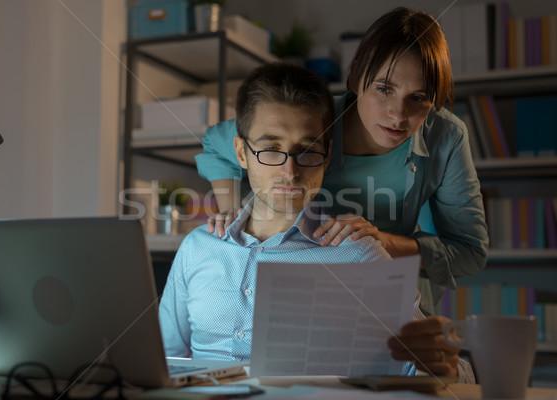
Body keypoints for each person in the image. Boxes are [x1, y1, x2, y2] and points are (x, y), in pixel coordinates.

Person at [159, 62, 474, 382]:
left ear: (327, 153)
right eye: (270, 149)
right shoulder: (197, 247)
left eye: (307, 150)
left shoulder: (357, 254)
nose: (290, 172)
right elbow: (162, 363)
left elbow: (448, 375)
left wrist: (441, 366)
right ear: (241, 153)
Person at [194, 7, 488, 315]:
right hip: (291, 284)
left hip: (385, 289)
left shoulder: (447, 136)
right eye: (384, 89)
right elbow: (216, 144)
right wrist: (231, 213)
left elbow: (470, 252)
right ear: (356, 75)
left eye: (419, 97)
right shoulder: (308, 120)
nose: (398, 115)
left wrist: (381, 241)